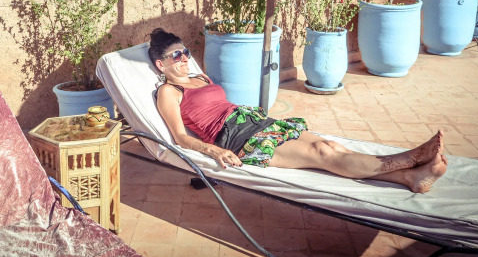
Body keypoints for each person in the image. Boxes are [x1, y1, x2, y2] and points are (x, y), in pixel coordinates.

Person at [148, 28, 448, 194]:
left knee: (330, 145)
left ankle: (410, 178)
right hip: (238, 139)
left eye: (186, 52)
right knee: (322, 153)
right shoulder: (168, 92)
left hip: (255, 121)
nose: (185, 58)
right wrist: (214, 151)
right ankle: (410, 158)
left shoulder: (200, 77)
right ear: (162, 64)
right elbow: (180, 137)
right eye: (177, 55)